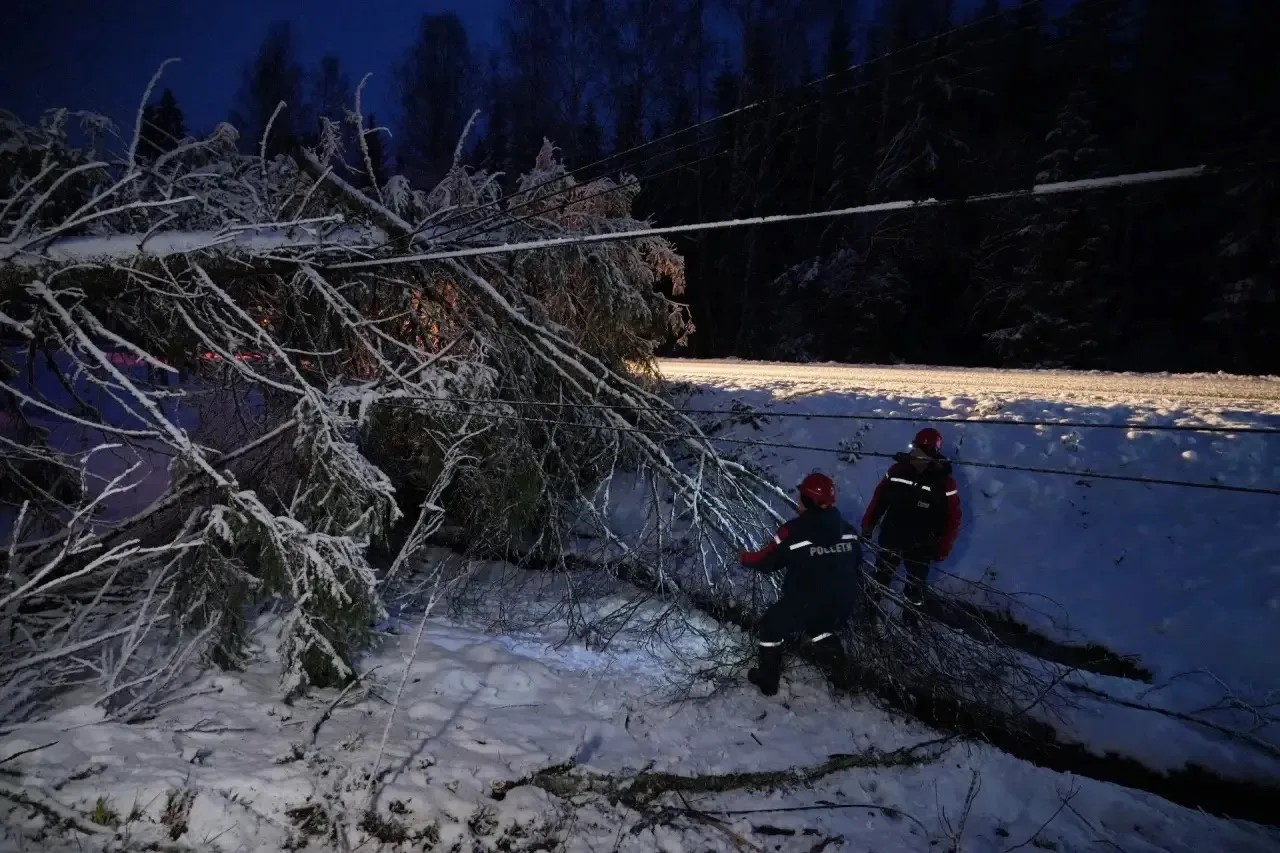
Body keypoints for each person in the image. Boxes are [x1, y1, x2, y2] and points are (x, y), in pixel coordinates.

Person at [738, 472, 862, 697]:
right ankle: (844, 676)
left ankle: (767, 680)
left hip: (808, 601)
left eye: (801, 496)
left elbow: (767, 561)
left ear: (807, 499)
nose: (797, 501)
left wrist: (744, 557)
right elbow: (856, 564)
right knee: (820, 627)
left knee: (770, 626)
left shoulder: (793, 531)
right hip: (843, 602)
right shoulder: (849, 532)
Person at [861, 427, 962, 616]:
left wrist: (943, 547)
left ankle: (911, 618)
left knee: (915, 588)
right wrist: (868, 525)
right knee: (881, 578)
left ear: (931, 452)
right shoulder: (898, 471)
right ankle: (870, 613)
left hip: (921, 545)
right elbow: (879, 499)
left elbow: (952, 518)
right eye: (915, 448)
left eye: (919, 449)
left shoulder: (944, 482)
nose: (915, 452)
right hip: (893, 536)